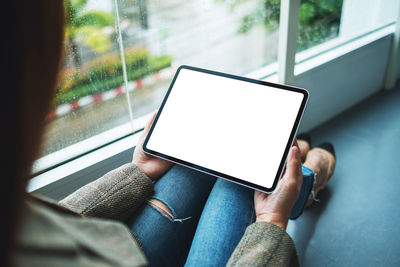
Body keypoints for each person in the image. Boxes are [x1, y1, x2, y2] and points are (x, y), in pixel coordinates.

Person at [3, 1, 336, 266]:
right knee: (242, 178)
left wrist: (137, 172)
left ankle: (297, 168)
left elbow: (56, 224)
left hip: (112, 247)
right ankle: (307, 177)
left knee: (202, 157)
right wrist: (271, 222)